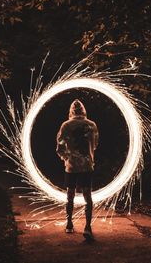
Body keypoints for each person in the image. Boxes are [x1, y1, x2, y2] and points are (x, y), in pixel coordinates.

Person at [56, 99, 99, 240]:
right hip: (87, 166)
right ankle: (88, 227)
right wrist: (88, 156)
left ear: (71, 111)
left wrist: (66, 158)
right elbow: (95, 144)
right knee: (88, 196)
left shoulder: (66, 125)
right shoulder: (91, 125)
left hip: (72, 166)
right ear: (84, 110)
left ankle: (69, 224)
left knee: (70, 196)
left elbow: (60, 146)